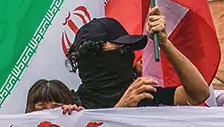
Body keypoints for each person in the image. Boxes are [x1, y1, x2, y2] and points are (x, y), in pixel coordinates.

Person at [65, 6, 209, 108]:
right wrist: (121, 109)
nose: (127, 54)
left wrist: (165, 43)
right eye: (120, 49)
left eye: (128, 49)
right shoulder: (70, 106)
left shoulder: (143, 94)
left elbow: (199, 94)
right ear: (91, 58)